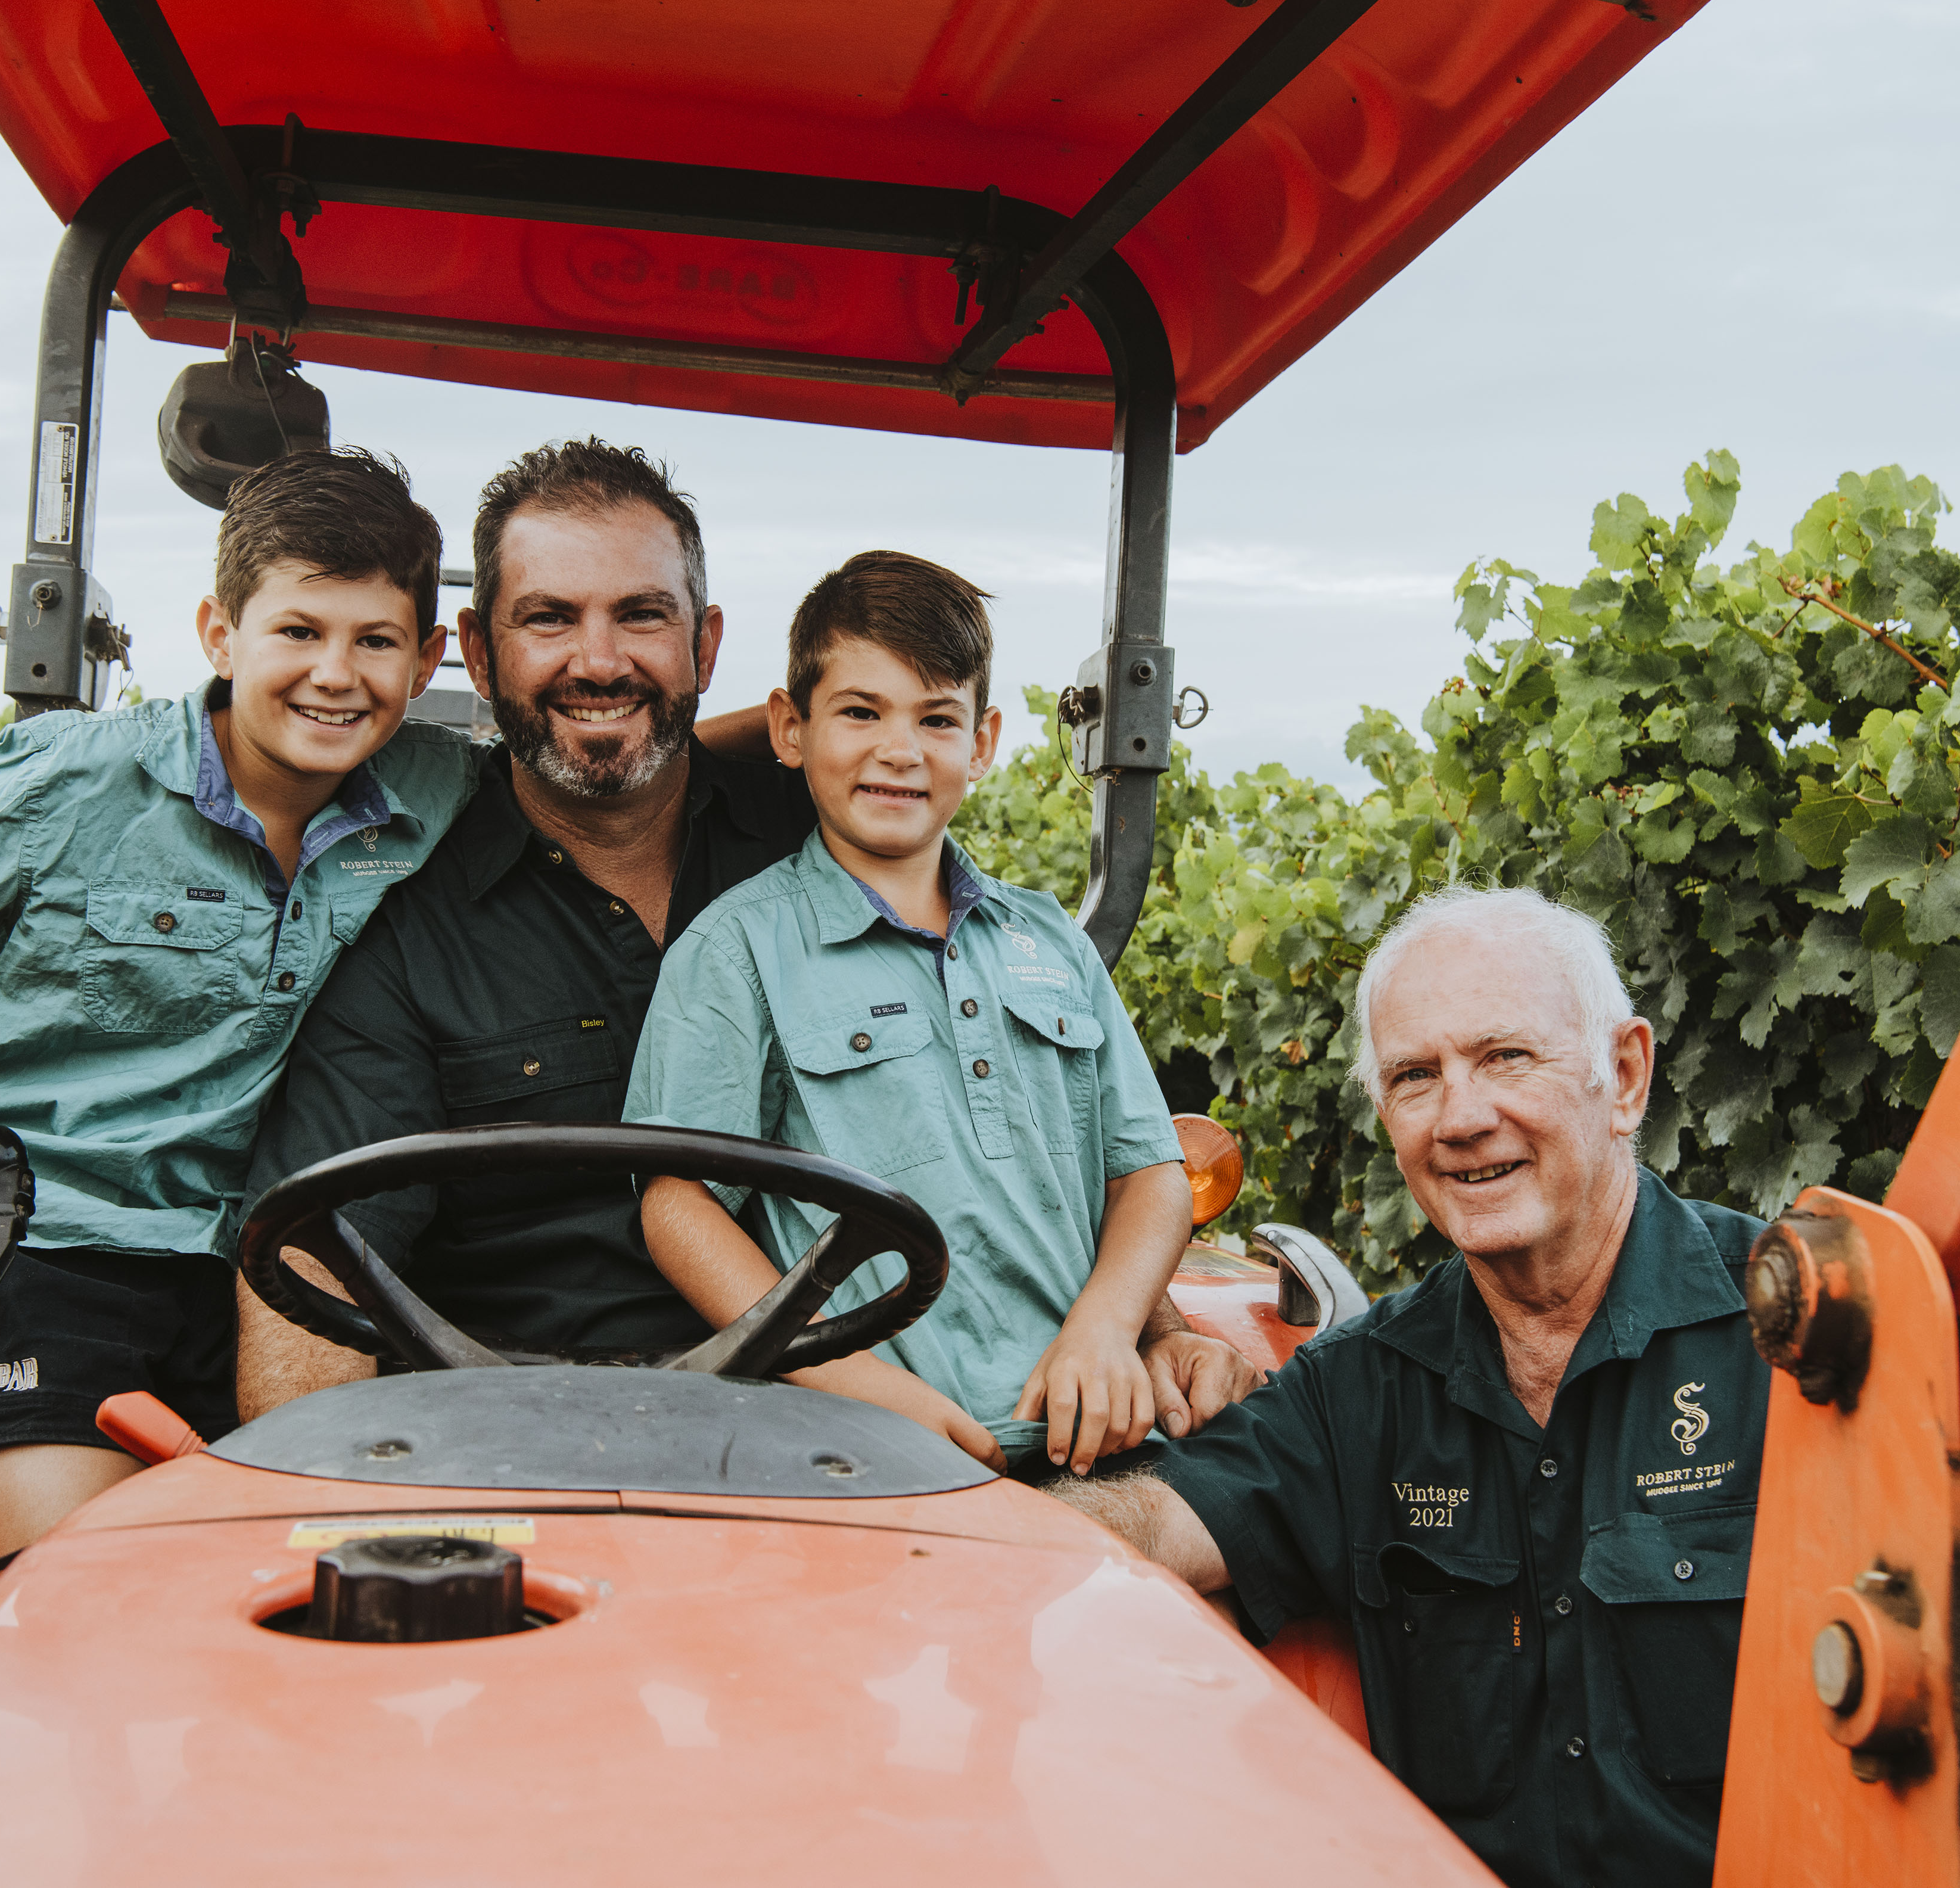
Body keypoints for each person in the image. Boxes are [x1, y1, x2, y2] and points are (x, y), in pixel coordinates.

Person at [0, 448, 475, 1556]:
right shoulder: (77, 778)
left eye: (376, 641)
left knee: (352, 1575)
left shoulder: (438, 791)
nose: (336, 675)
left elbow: (681, 771)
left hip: (239, 1271)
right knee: (97, 1585)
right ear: (221, 631)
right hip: (26, 1247)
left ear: (428, 654)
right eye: (299, 631)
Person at [1047, 884, 1770, 1888]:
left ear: (1625, 1075)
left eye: (1505, 1057)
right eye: (1416, 1077)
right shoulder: (1361, 1390)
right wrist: (949, 1535)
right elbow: (1149, 1527)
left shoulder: (1792, 1343)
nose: (1462, 1118)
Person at [622, 552, 1256, 1478]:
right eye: (860, 712)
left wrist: (1107, 1335)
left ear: (984, 742)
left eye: (936, 718)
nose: (900, 749)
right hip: (878, 1451)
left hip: (1102, 1434)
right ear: (789, 729)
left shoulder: (1050, 943)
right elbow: (679, 1207)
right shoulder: (738, 951)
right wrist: (861, 1387)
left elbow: (1148, 1170)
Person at [239, 440, 811, 1399]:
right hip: (513, 1434)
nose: (599, 661)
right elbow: (319, 1255)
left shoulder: (829, 849)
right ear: (476, 650)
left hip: (838, 1418)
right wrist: (315, 1501)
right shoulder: (402, 919)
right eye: (549, 619)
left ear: (705, 647)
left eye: (641, 616)